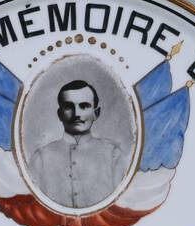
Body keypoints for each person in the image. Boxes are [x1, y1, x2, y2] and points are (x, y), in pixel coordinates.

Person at [29, 79, 126, 209]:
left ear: (96, 113)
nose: (76, 114)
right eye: (69, 107)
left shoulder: (113, 155)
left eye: (84, 106)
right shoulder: (41, 157)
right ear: (60, 114)